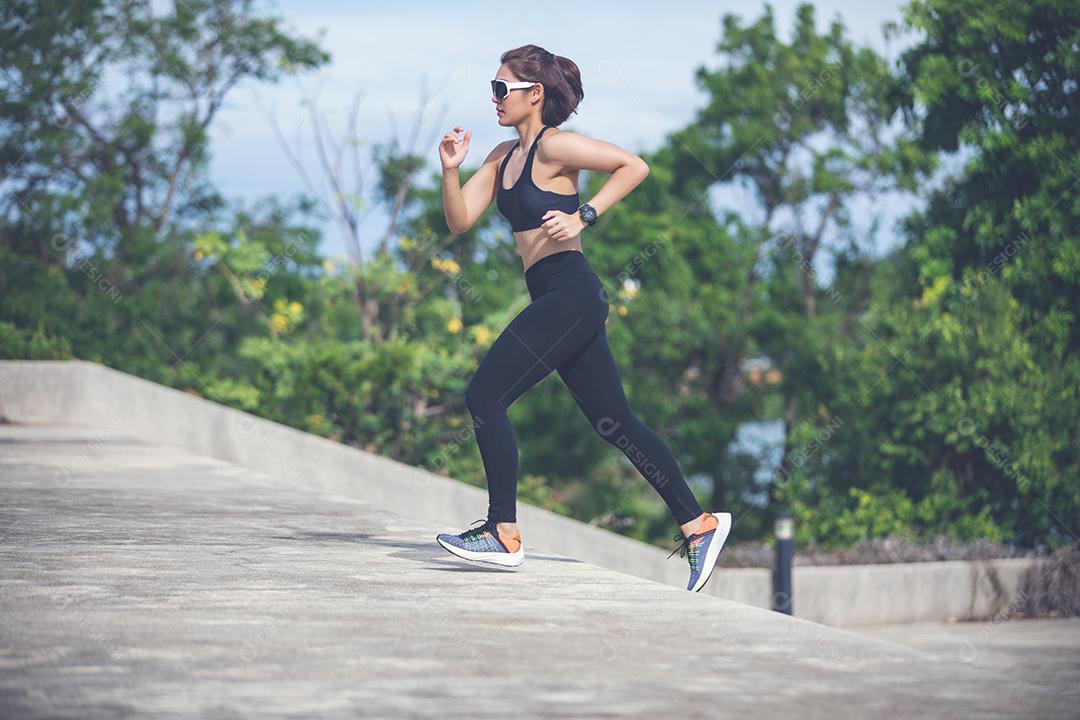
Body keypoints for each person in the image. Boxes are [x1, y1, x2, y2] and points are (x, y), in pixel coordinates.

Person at [435, 44, 731, 592]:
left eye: (503, 88)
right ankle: (700, 525)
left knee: (485, 397)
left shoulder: (557, 146)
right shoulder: (501, 156)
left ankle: (503, 532)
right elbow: (460, 220)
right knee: (614, 422)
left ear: (535, 94)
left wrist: (584, 215)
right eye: (493, 89)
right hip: (553, 296)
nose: (494, 98)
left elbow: (633, 165)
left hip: (571, 293)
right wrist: (451, 170)